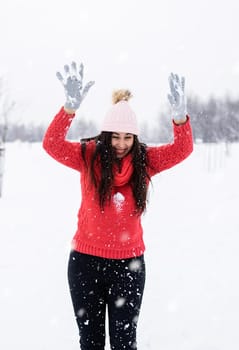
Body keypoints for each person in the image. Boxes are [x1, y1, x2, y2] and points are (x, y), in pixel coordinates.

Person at [42, 61, 193, 350]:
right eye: (115, 136)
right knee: (92, 342)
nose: (121, 143)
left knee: (124, 343)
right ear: (105, 134)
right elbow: (51, 143)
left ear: (135, 137)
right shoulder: (88, 155)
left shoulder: (145, 160)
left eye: (127, 137)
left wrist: (179, 118)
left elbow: (182, 150)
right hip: (85, 263)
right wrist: (68, 110)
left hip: (129, 265)